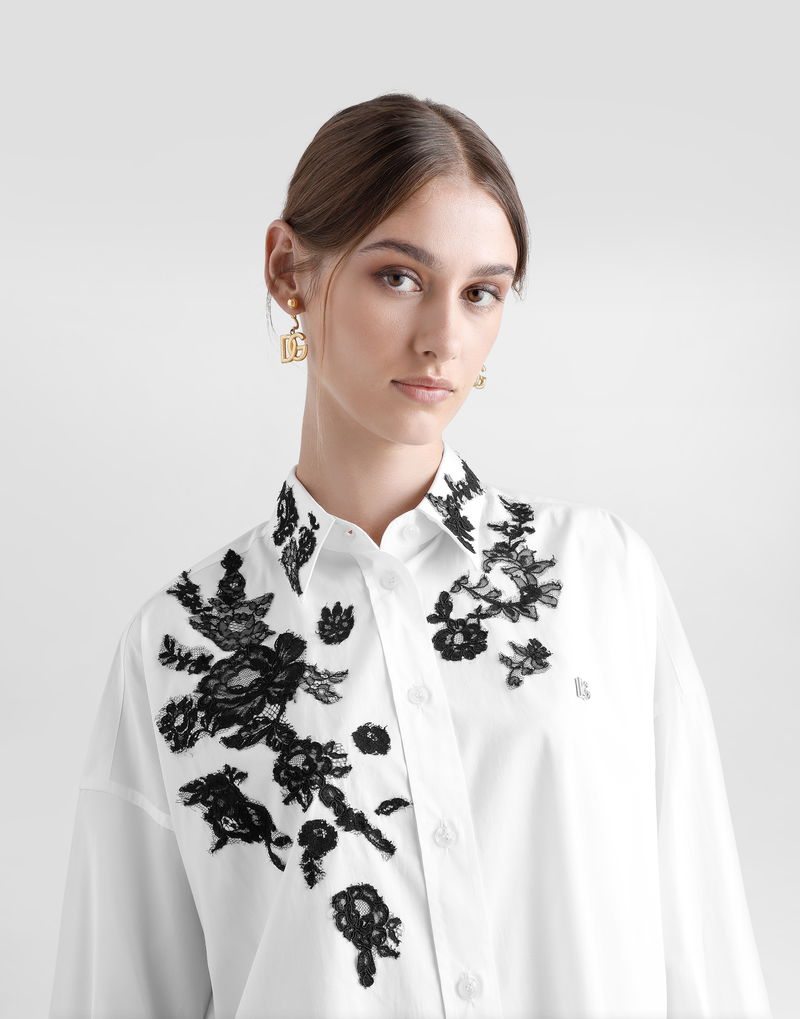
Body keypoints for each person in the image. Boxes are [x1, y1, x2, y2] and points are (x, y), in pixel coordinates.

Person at [48, 92, 773, 1019]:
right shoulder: (178, 646)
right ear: (288, 270)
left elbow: (706, 957)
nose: (443, 339)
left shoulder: (602, 578)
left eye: (481, 293)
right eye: (398, 277)